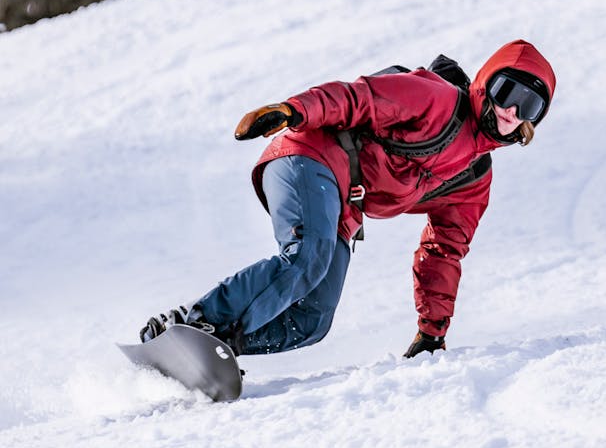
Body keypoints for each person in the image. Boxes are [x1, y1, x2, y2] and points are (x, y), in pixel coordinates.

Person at [140, 40, 556, 358]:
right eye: (507, 92)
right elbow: (358, 98)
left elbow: (445, 249)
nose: (512, 111)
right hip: (311, 154)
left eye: (529, 106)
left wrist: (432, 332)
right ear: (486, 83)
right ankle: (193, 323)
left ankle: (216, 346)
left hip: (345, 204)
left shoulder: (474, 176)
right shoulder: (437, 99)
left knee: (313, 319)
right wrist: (292, 110)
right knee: (308, 256)